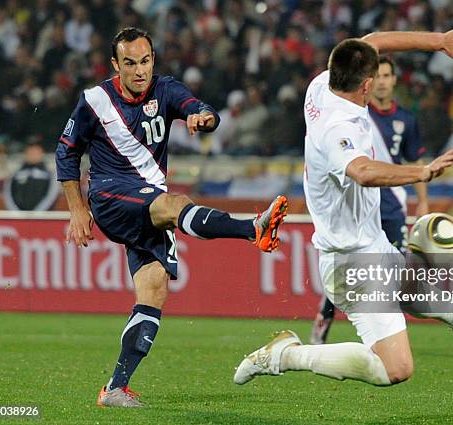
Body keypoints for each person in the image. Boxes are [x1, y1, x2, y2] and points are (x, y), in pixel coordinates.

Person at [234, 29, 453, 388]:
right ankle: (285, 354)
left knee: (408, 282)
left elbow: (373, 39)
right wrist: (422, 171)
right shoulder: (339, 127)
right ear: (368, 85)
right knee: (396, 369)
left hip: (367, 243)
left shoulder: (321, 85)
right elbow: (363, 172)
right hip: (351, 261)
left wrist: (441, 41)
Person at [55, 27, 288, 408]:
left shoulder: (165, 89)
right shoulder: (95, 100)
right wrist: (77, 210)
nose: (139, 70)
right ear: (116, 65)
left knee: (154, 290)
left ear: (153, 60)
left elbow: (202, 109)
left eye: (145, 61)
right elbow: (66, 152)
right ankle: (252, 229)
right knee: (173, 204)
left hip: (146, 201)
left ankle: (115, 388)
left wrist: (201, 118)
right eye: (129, 63)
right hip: (111, 194)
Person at [309, 55, 429, 345]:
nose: (384, 82)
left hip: (393, 204)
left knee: (400, 272)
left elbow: (414, 159)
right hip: (361, 201)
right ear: (369, 82)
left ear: (395, 80)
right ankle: (325, 319)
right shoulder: (356, 114)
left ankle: (386, 333)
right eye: (380, 76)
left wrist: (422, 202)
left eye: (389, 76)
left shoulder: (405, 119)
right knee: (351, 269)